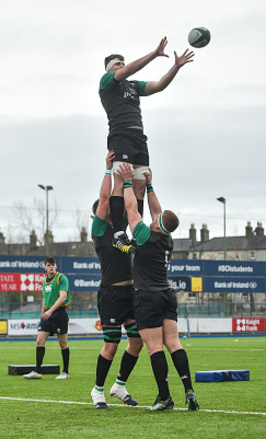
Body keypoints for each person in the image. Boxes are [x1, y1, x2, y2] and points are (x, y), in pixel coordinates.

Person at [100, 37, 194, 252]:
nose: (122, 67)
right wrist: (153, 54)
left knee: (139, 185)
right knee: (120, 181)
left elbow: (159, 85)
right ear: (109, 69)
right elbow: (126, 72)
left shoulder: (133, 86)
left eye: (123, 63)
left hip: (139, 140)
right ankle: (118, 233)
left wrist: (175, 67)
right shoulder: (106, 82)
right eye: (117, 64)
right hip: (120, 137)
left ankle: (135, 231)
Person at [119, 163, 199, 411]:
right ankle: (189, 392)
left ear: (156, 223)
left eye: (156, 218)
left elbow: (131, 208)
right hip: (166, 294)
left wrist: (129, 181)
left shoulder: (144, 235)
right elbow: (159, 211)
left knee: (154, 346)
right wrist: (151, 185)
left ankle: (164, 397)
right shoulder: (167, 237)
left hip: (148, 296)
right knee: (174, 343)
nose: (154, 216)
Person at [89, 151, 143, 409]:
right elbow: (104, 197)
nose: (112, 204)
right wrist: (108, 168)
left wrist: (125, 172)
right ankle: (97, 391)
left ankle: (119, 386)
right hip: (110, 293)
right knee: (111, 344)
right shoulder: (99, 230)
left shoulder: (121, 223)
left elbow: (119, 193)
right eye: (108, 205)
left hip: (130, 292)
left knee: (137, 340)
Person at [23, 257, 71, 380]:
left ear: (56, 266)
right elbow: (45, 297)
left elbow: (63, 297)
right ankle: (37, 371)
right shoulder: (44, 281)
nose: (51, 267)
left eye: (53, 265)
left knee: (63, 343)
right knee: (39, 340)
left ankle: (65, 372)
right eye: (48, 265)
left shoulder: (61, 278)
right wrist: (43, 311)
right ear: (45, 267)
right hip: (47, 314)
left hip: (59, 313)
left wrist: (50, 311)